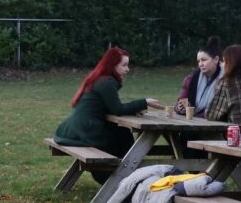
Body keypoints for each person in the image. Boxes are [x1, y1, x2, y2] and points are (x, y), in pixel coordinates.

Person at [54, 47, 163, 183]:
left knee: (122, 134)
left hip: (75, 129)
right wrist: (144, 102)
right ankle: (121, 177)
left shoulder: (100, 78)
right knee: (123, 136)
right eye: (124, 65)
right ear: (113, 65)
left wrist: (134, 108)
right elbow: (118, 109)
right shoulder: (106, 82)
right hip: (85, 131)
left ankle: (125, 175)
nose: (128, 69)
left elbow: (111, 107)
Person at [175, 36, 223, 118]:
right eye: (198, 61)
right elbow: (180, 102)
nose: (200, 64)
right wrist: (180, 108)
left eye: (204, 60)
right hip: (194, 121)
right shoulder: (191, 78)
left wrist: (197, 115)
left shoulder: (226, 79)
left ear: (216, 59)